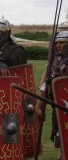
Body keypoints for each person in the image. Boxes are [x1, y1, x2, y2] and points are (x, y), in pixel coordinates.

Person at [38, 30, 68, 159]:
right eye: (57, 43)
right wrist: (40, 105)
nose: (58, 45)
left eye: (62, 42)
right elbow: (48, 83)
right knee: (61, 137)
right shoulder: (55, 60)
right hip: (58, 106)